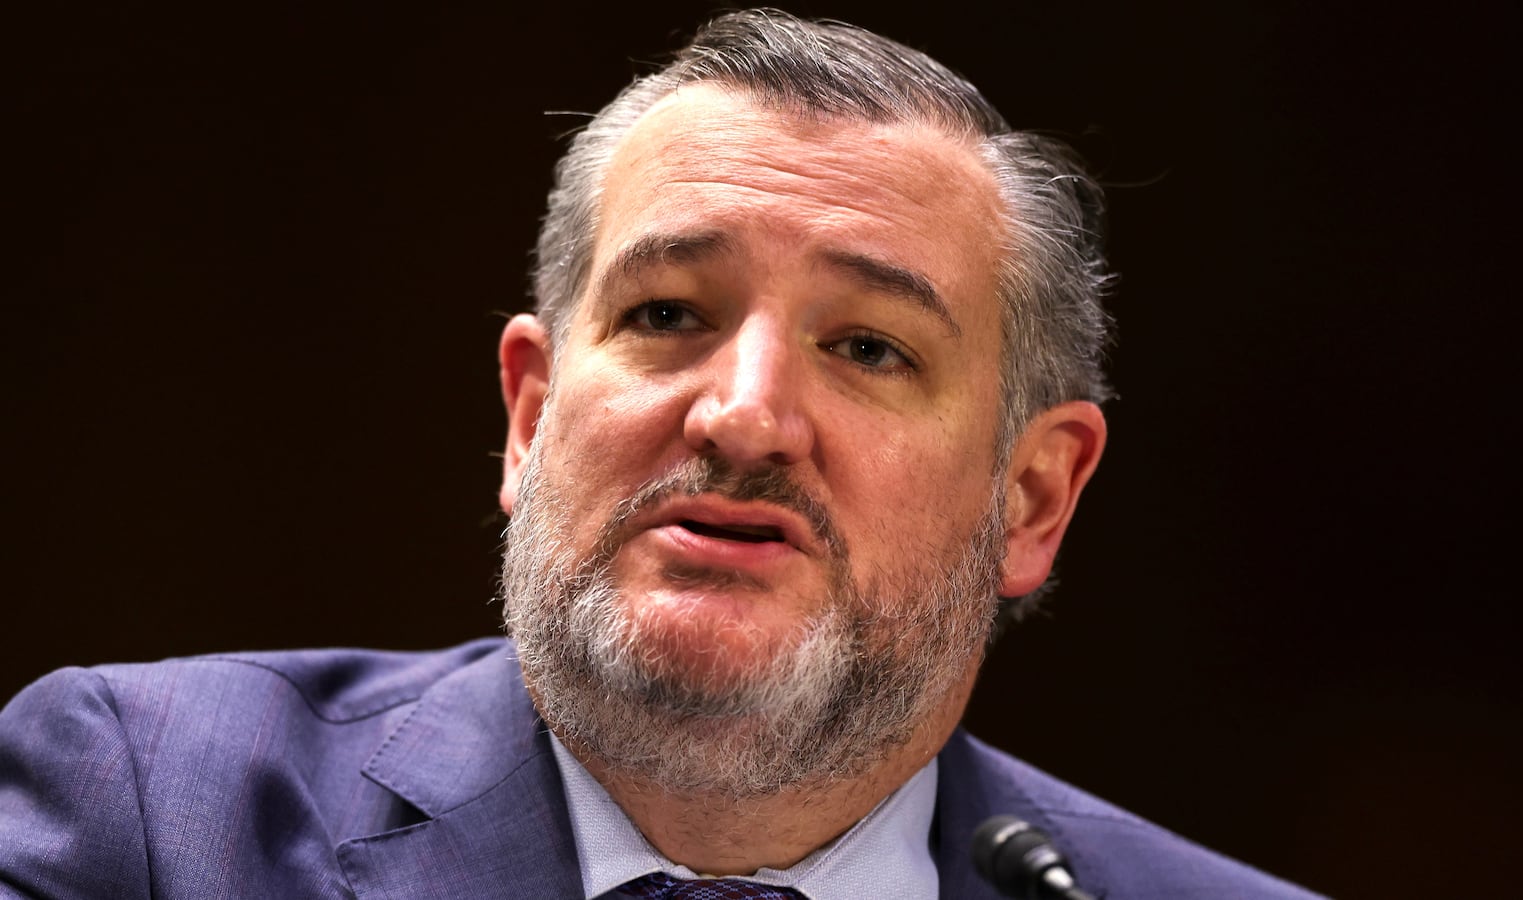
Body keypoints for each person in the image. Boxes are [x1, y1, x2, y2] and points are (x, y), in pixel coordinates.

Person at [0, 10, 1321, 899]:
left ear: (1029, 498)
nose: (742, 416)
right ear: (530, 417)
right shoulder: (152, 813)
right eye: (667, 316)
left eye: (867, 348)